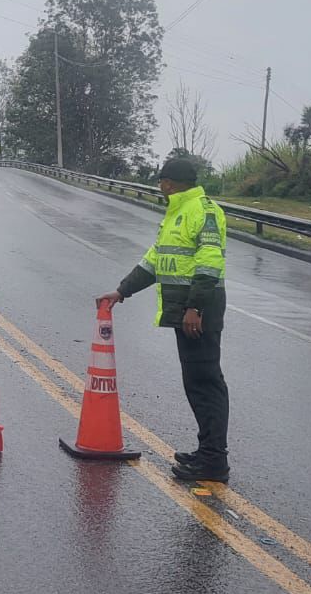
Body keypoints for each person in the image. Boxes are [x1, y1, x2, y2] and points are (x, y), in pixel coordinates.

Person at [96, 155, 230, 482]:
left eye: (162, 181)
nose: (160, 187)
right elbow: (155, 260)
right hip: (185, 310)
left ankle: (214, 461)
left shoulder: (204, 211)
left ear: (170, 183)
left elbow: (209, 263)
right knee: (196, 383)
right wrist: (122, 290)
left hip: (199, 311)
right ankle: (207, 452)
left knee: (206, 383)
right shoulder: (178, 212)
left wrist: (195, 308)